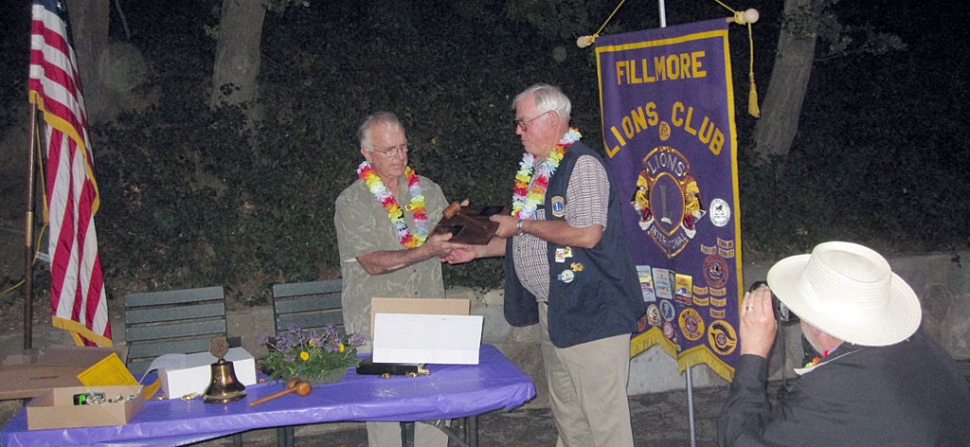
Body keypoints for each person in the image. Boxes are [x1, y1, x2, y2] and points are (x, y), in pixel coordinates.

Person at [444, 84, 644, 447]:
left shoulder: (581, 166)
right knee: (569, 420)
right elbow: (534, 240)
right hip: (557, 311)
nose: (517, 131)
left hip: (593, 313)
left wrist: (519, 224)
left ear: (551, 121)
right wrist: (479, 250)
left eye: (523, 122)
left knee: (605, 426)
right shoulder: (538, 171)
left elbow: (586, 235)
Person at [718, 241, 970, 446]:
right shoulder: (919, 345)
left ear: (816, 323)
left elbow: (739, 437)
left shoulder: (828, 393)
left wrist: (753, 351)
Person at [335, 111, 466, 447]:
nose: (400, 156)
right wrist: (426, 251)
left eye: (404, 147)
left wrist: (459, 242)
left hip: (429, 315)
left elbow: (439, 241)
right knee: (384, 419)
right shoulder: (352, 201)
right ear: (367, 154)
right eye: (389, 150)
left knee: (435, 412)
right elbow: (372, 263)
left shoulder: (428, 190)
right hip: (375, 323)